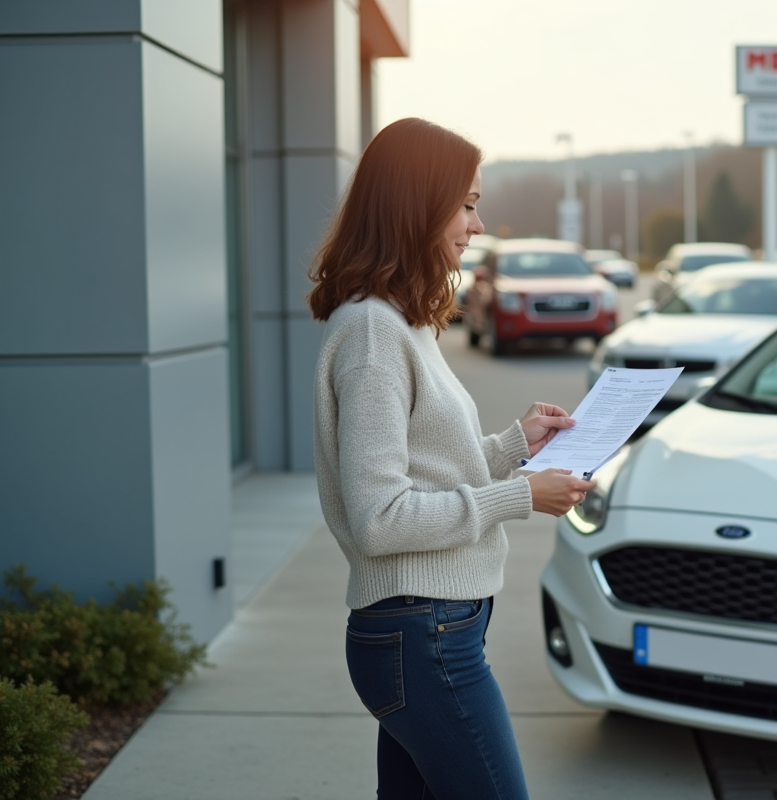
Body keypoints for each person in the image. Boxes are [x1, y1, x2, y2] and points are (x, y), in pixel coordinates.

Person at [307, 117, 596, 799]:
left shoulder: (399, 320)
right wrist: (522, 495)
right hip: (423, 635)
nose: (477, 224)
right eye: (464, 204)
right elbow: (380, 517)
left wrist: (515, 446)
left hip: (429, 631)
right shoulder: (374, 334)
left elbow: (425, 469)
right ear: (416, 206)